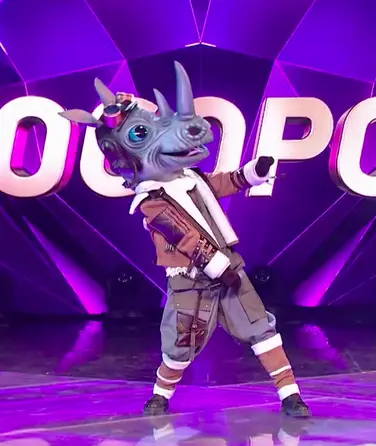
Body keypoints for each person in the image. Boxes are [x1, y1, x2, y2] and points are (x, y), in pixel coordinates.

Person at [59, 62, 310, 418]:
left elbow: (219, 184)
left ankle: (290, 395)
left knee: (260, 328)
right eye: (140, 134)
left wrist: (251, 174)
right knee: (180, 344)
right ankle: (160, 395)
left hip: (229, 271)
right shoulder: (151, 201)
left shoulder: (190, 179)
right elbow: (183, 236)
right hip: (191, 283)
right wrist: (217, 266)